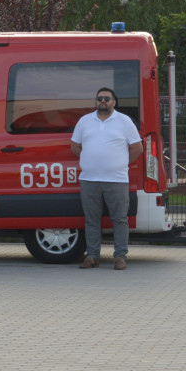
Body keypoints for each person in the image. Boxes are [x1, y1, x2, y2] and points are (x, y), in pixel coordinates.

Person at [70, 87, 143, 270]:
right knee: (91, 220)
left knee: (119, 219)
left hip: (116, 180)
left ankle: (120, 257)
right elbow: (75, 147)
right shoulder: (84, 121)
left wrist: (120, 163)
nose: (103, 101)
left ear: (114, 102)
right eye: (99, 98)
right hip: (89, 179)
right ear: (95, 101)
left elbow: (137, 148)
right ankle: (92, 256)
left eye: (107, 99)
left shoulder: (124, 121)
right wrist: (91, 160)